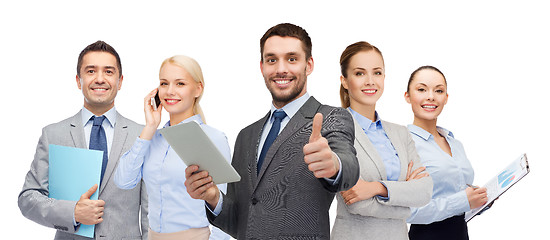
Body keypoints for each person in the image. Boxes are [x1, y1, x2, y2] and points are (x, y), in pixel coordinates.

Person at [184, 23, 360, 239]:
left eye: (292, 59)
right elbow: (238, 222)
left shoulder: (329, 118)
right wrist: (212, 197)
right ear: (262, 67)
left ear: (309, 65)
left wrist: (334, 164)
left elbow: (349, 167)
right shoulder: (246, 136)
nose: (281, 69)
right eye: (272, 60)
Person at [18, 40, 149, 239]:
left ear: (120, 81)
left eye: (108, 71)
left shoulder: (142, 135)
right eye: (90, 71)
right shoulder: (53, 134)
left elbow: (151, 209)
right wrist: (73, 212)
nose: (99, 79)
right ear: (78, 81)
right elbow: (28, 199)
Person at [114, 55, 231, 240]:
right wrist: (150, 127)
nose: (170, 91)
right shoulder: (151, 139)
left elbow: (226, 210)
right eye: (164, 83)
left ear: (198, 89)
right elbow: (123, 180)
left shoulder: (213, 138)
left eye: (180, 84)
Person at [331, 41, 433, 240]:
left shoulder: (400, 133)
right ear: (344, 80)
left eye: (377, 73)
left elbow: (425, 191)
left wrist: (376, 188)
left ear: (384, 77)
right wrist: (407, 205)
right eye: (360, 73)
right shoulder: (337, 130)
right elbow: (356, 203)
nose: (370, 81)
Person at [405, 66, 488, 240]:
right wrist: (463, 201)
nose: (431, 96)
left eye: (439, 90)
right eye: (421, 89)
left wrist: (478, 201)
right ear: (407, 96)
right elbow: (408, 211)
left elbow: (456, 195)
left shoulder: (454, 142)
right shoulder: (404, 143)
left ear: (446, 98)